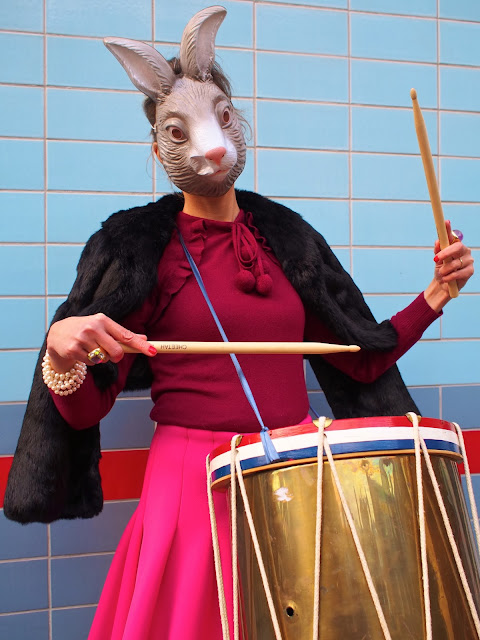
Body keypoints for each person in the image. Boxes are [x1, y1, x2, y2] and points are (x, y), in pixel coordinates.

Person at [4, 6, 474, 640]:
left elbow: (360, 359)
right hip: (192, 485)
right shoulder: (139, 249)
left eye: (223, 118)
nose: (212, 144)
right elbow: (87, 411)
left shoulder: (287, 237)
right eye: (180, 131)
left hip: (297, 474)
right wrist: (61, 356)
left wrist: (437, 293)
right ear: (158, 147)